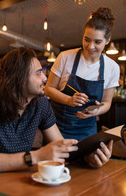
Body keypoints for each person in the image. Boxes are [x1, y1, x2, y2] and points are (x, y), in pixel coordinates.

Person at [0, 47, 113, 179]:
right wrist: (35, 157)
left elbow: (62, 147)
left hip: (17, 179)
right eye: (38, 74)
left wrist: (87, 157)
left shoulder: (40, 104)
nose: (45, 78)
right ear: (18, 79)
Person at [44, 7, 120, 140]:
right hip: (56, 126)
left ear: (107, 40)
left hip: (87, 130)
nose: (90, 46)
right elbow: (48, 89)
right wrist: (69, 100)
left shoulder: (112, 67)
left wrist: (97, 111)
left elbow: (107, 102)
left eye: (97, 42)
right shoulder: (65, 57)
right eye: (86, 39)